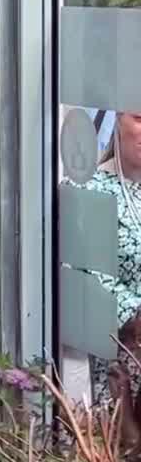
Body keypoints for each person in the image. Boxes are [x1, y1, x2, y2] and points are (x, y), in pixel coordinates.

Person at [68, 112, 141, 406]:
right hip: (123, 361)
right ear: (118, 121)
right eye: (139, 118)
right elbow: (89, 276)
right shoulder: (91, 191)